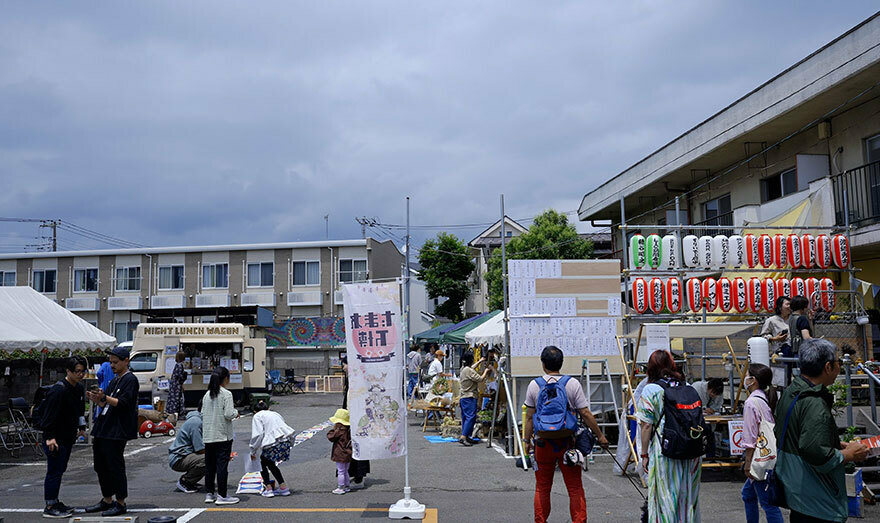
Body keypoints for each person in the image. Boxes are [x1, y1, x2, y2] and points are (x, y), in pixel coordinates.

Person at [775, 339, 868, 522]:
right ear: (828, 367)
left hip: (797, 493)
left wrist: (835, 443)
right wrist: (848, 454)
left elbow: (799, 435)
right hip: (818, 500)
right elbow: (815, 451)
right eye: (838, 362)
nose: (839, 367)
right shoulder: (814, 402)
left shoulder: (792, 392)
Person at [523, 346, 609, 523]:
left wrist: (526, 440)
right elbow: (585, 413)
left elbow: (530, 417)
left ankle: (541, 521)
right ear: (561, 362)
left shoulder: (534, 385)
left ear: (543, 363)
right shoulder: (572, 384)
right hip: (568, 444)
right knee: (575, 488)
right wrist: (600, 436)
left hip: (543, 443)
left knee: (542, 488)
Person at [637, 349, 701, 522]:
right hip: (690, 449)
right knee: (687, 498)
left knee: (665, 498)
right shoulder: (686, 387)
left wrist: (643, 454)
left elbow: (646, 425)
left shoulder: (651, 389)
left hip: (665, 450)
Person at [82, 346, 139, 517]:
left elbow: (124, 404)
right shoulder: (114, 380)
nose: (112, 365)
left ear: (126, 361)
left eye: (115, 362)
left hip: (118, 428)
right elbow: (106, 404)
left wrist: (104, 398)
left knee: (115, 465)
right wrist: (97, 399)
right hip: (104, 426)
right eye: (110, 362)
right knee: (100, 465)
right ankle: (107, 499)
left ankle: (121, 502)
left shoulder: (130, 380)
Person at [38, 356, 87, 519]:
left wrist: (81, 428)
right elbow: (48, 416)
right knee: (54, 470)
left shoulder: (78, 389)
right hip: (55, 437)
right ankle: (50, 504)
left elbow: (80, 410)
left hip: (67, 435)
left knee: (60, 468)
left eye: (82, 371)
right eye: (77, 371)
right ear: (68, 371)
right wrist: (50, 437)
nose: (80, 375)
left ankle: (55, 500)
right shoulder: (59, 390)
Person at [740, 363, 783, 523]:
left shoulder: (751, 403)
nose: (744, 379)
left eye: (747, 376)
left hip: (759, 459)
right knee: (748, 495)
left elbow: (750, 437)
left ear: (753, 380)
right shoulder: (764, 398)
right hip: (767, 456)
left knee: (768, 503)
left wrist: (748, 463)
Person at [201, 367, 239, 505]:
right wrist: (236, 413)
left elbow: (202, 414)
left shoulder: (207, 395)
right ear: (226, 379)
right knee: (222, 466)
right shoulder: (226, 394)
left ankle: (210, 493)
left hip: (208, 435)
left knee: (210, 466)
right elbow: (229, 414)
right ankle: (222, 495)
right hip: (222, 435)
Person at [249, 400, 295, 497]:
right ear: (268, 408)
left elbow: (258, 434)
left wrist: (253, 450)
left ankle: (269, 488)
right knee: (270, 464)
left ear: (255, 411)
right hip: (284, 441)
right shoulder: (275, 414)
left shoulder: (257, 416)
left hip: (273, 443)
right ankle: (283, 487)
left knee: (261, 463)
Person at [458, 351, 493, 446]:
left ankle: (467, 436)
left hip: (463, 397)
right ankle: (464, 437)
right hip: (469, 397)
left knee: (466, 417)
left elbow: (472, 368)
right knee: (471, 417)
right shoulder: (468, 370)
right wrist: (486, 370)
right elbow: (480, 379)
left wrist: (480, 361)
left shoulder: (464, 369)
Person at [168, 407, 205, 494]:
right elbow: (200, 449)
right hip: (179, 458)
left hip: (186, 455)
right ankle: (185, 481)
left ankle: (191, 480)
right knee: (209, 459)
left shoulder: (198, 420)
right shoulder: (196, 422)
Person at [327, 408, 352, 495]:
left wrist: (334, 430)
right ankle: (347, 486)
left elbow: (330, 437)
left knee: (340, 471)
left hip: (340, 453)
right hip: (348, 453)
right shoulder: (348, 430)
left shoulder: (339, 431)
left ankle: (341, 487)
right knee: (346, 470)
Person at [166, 352, 187, 421]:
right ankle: (177, 414)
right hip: (177, 386)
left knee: (173, 399)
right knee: (178, 399)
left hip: (173, 385)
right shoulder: (180, 365)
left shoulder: (176, 365)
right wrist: (184, 377)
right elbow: (180, 377)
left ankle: (171, 412)